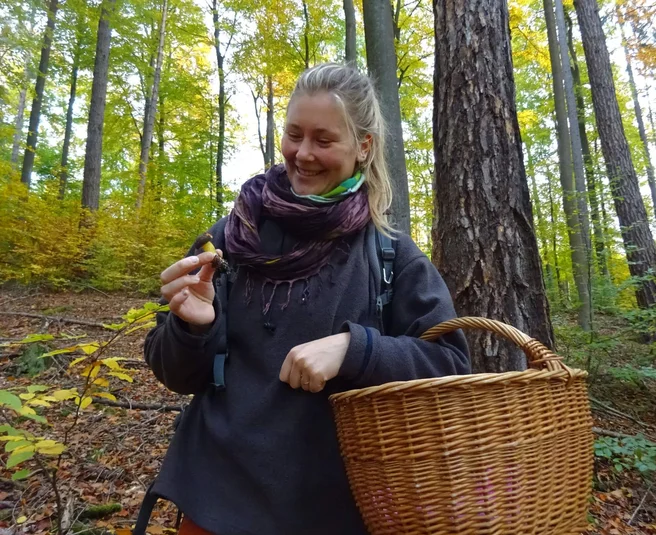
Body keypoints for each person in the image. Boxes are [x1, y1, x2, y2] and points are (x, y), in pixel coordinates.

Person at [144, 62, 471, 535]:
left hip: (336, 508)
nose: (302, 153)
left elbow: (451, 365)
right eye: (294, 134)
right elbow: (174, 372)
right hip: (216, 500)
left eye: (323, 139)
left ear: (363, 146)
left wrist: (355, 349)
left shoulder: (388, 253)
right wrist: (191, 327)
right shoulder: (231, 237)